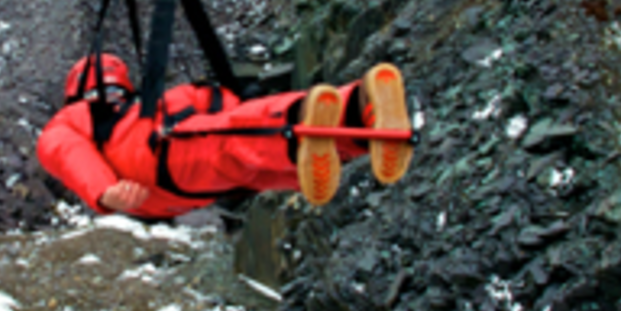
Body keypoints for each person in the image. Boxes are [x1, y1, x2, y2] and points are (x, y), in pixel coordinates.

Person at [36, 53, 412, 218]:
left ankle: (355, 112)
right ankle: (357, 133)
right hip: (166, 162)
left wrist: (104, 193)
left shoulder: (82, 117)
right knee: (243, 150)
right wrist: (104, 192)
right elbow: (212, 105)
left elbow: (63, 151)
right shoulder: (122, 111)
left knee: (240, 150)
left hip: (163, 170)